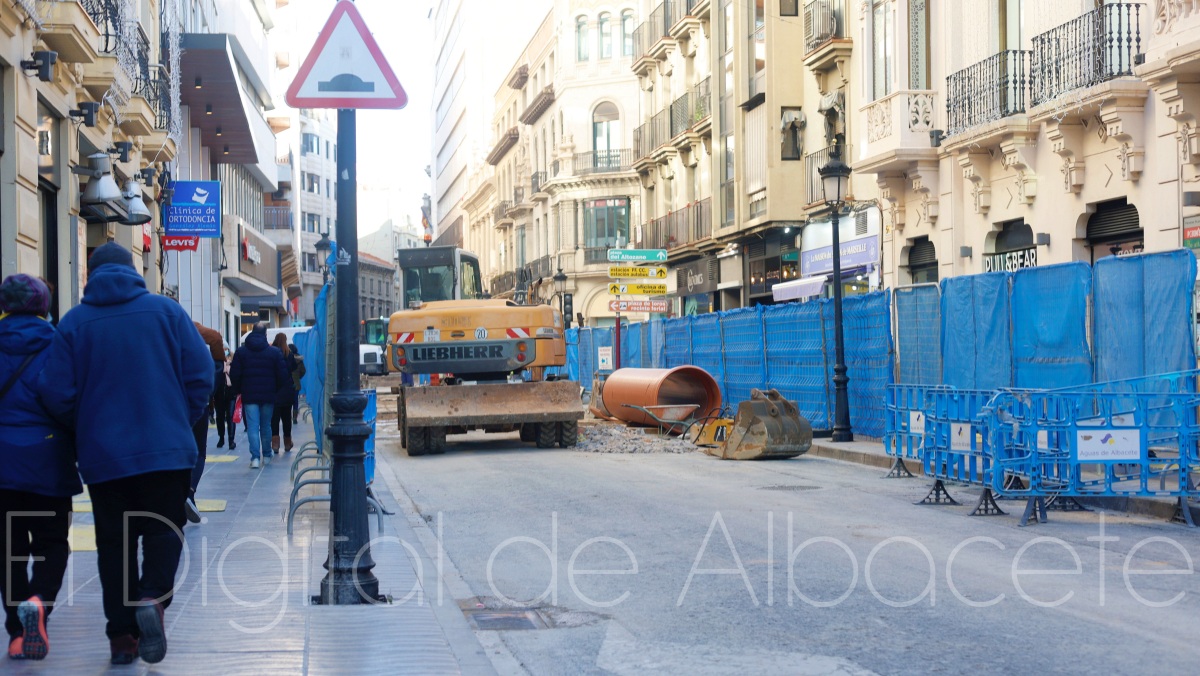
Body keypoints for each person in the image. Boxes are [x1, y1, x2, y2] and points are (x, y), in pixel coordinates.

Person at [38, 243, 212, 665]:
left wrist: (85, 427)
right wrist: (177, 419)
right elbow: (201, 375)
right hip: (166, 454)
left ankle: (121, 639)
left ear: (90, 276)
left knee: (114, 546)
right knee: (162, 533)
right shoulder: (168, 313)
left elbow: (54, 392)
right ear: (134, 271)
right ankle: (152, 598)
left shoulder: (75, 323)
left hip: (105, 459)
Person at [0, 275, 82, 661]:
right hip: (48, 461)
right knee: (51, 543)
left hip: (2, 465)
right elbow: (67, 401)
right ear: (44, 305)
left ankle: (18, 633)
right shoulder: (57, 343)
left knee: (8, 549)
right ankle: (39, 601)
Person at [229, 323, 289, 469]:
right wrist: (275, 389)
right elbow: (283, 375)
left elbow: (235, 374)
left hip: (249, 395)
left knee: (252, 427)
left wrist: (239, 390)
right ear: (265, 334)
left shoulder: (241, 352)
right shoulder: (274, 352)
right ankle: (267, 455)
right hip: (268, 395)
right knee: (266, 426)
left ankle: (255, 458)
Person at [188, 321, 226, 524]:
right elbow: (215, 337)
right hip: (196, 402)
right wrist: (218, 368)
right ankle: (190, 492)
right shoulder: (189, 328)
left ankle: (185, 494)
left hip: (168, 403)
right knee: (198, 451)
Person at [270, 333, 298, 452]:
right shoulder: (289, 354)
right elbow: (294, 368)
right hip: (287, 391)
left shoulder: (272, 353)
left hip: (275, 390)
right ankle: (287, 442)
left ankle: (275, 445)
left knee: (274, 419)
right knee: (287, 419)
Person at [214, 343, 236, 451]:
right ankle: (221, 437)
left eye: (225, 348)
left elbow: (236, 375)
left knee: (231, 416)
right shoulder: (216, 362)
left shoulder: (234, 361)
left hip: (231, 392)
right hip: (219, 393)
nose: (224, 350)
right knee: (220, 416)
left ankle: (231, 440)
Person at [290, 343, 304, 425]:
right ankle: (295, 417)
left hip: (287, 384)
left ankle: (288, 417)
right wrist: (298, 377)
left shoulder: (287, 358)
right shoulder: (300, 360)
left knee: (288, 402)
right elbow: (303, 371)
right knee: (295, 402)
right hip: (297, 384)